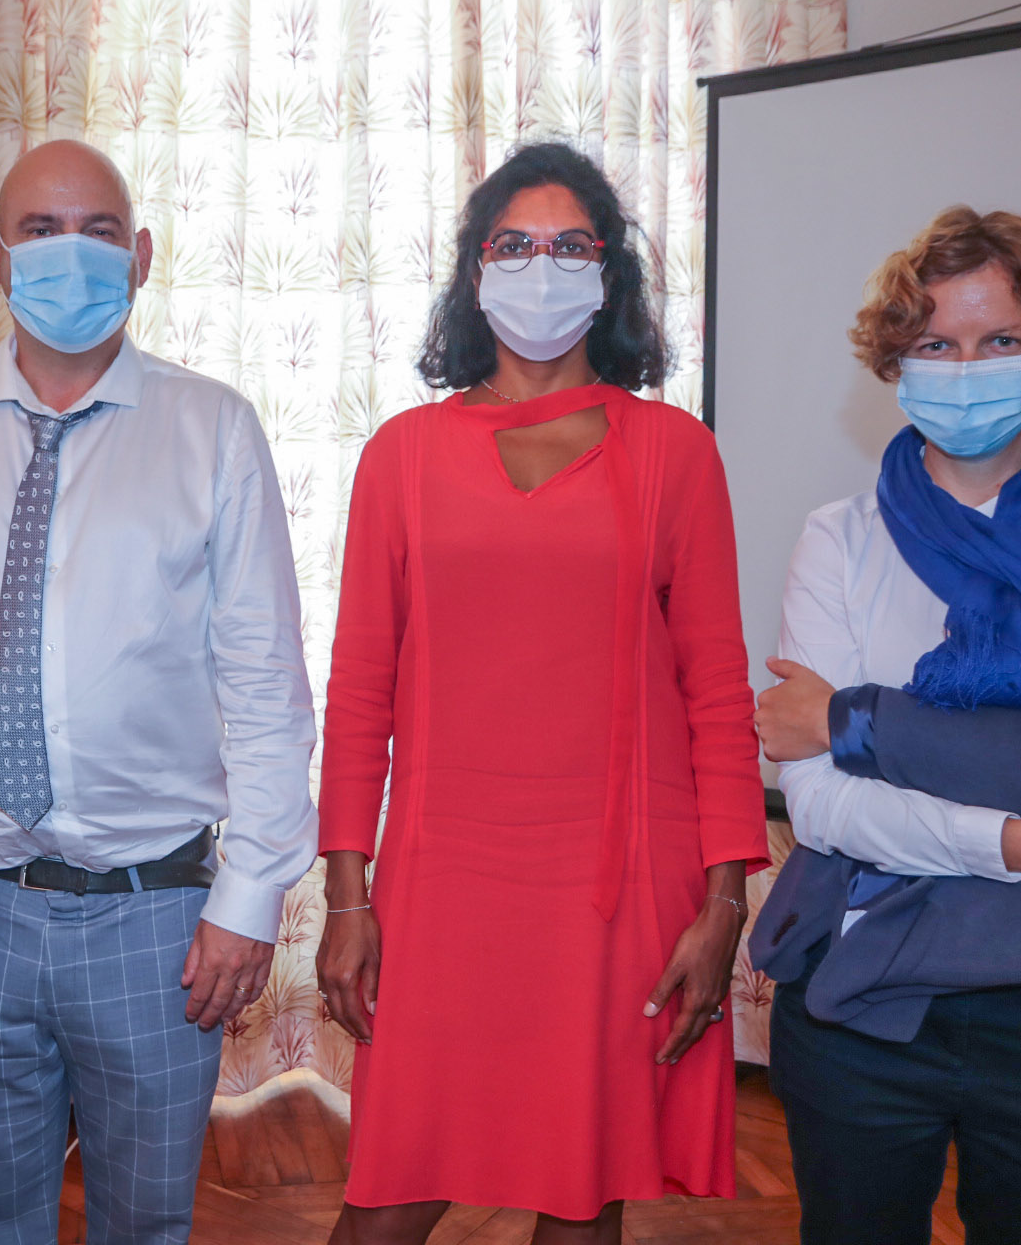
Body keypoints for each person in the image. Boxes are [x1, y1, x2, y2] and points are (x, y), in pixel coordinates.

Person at [0, 138, 318, 1245]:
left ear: (141, 254)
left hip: (157, 918)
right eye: (41, 228)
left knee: (147, 1220)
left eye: (99, 229)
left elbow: (265, 682)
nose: (71, 252)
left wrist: (248, 900)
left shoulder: (213, 429)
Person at [313, 141, 768, 1245]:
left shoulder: (674, 453)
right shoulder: (402, 456)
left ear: (609, 274)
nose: (542, 265)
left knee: (581, 1190)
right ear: (474, 269)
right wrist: (344, 895)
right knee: (386, 1197)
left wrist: (723, 902)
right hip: (440, 879)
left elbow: (716, 691)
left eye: (572, 245)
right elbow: (360, 688)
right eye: (515, 244)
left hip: (612, 885)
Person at [753, 207, 1021, 1244]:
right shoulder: (838, 538)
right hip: (863, 988)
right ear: (895, 362)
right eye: (937, 344)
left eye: (1000, 340)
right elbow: (818, 805)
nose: (967, 367)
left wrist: (845, 716)